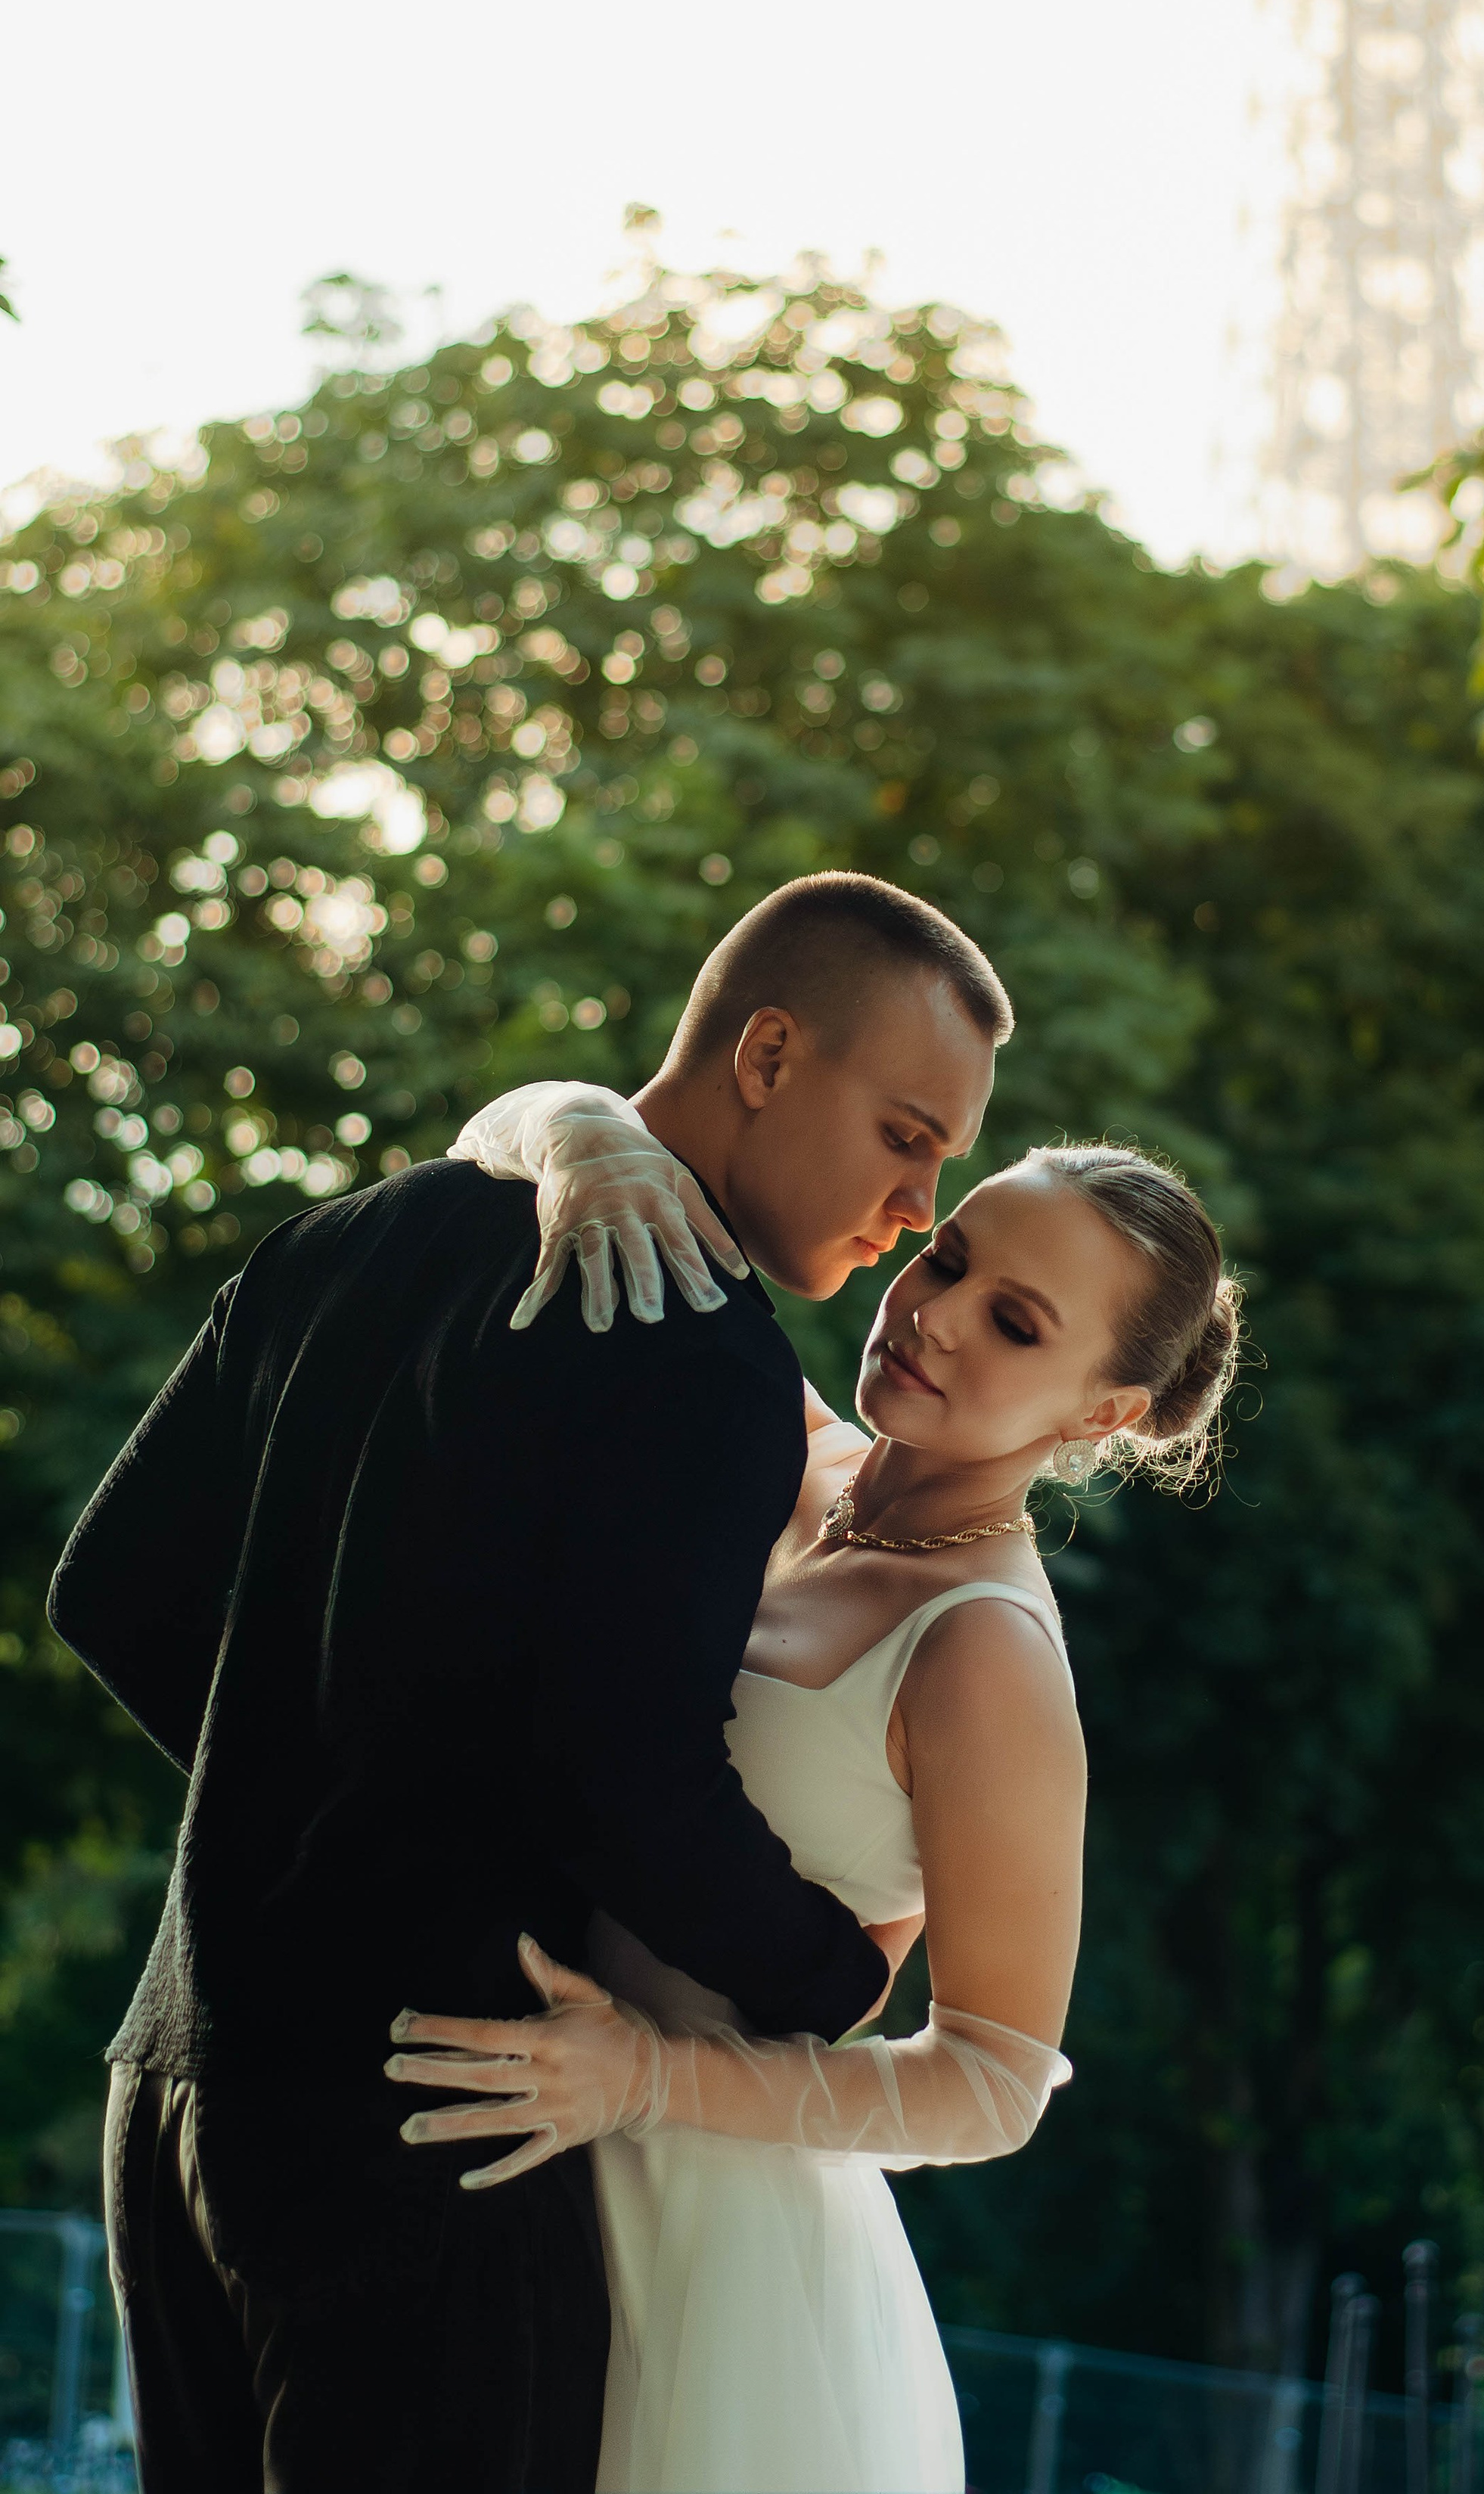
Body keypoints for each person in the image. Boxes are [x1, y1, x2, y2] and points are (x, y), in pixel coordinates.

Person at [46, 872, 1009, 2494]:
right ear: (767, 1054)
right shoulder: (696, 1344)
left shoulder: (340, 1237)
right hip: (434, 2118)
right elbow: (625, 1778)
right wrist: (824, 1975)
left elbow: (110, 1590)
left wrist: (324, 1777)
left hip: (172, 2092)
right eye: (906, 1133)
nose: (918, 1205)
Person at [379, 1088, 1240, 2494]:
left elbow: (997, 2085)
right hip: (492, 2175)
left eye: (1018, 1324)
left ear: (1109, 1411)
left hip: (721, 2250)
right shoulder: (770, 1443)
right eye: (951, 1255)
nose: (938, 1313)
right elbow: (515, 1123)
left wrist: (648, 2079)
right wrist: (587, 1145)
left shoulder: (985, 1654)